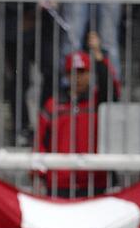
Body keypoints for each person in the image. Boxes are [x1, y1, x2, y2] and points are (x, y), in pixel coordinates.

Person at [36, 32, 119, 198]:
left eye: (82, 72)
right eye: (73, 72)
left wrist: (98, 55)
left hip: (95, 182)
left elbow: (112, 90)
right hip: (59, 184)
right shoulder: (53, 105)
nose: (78, 77)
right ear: (67, 76)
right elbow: (40, 142)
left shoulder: (98, 101)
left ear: (90, 74)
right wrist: (38, 175)